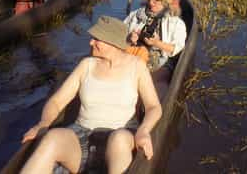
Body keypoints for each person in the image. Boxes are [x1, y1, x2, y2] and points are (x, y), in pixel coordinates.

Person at [20, 16, 162, 174]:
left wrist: (143, 131)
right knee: (51, 138)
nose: (91, 42)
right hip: (82, 134)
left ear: (112, 43)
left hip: (121, 135)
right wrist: (43, 123)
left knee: (119, 140)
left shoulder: (137, 66)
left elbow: (153, 107)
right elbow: (57, 102)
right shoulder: (86, 65)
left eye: (96, 39)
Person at [124, 0, 186, 72]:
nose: (152, 3)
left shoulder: (176, 23)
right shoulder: (135, 15)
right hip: (132, 54)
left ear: (165, 2)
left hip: (157, 62)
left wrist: (157, 43)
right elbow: (120, 35)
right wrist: (129, 38)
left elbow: (177, 48)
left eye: (156, 0)